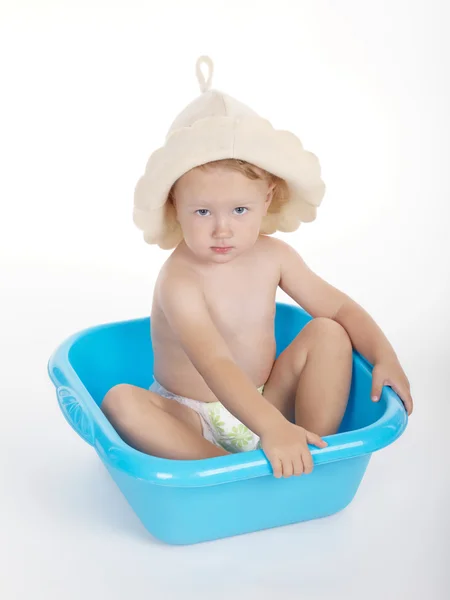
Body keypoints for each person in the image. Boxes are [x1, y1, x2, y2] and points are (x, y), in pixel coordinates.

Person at [101, 56, 413, 478]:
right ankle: (227, 469)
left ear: (267, 199)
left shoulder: (274, 256)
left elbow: (338, 308)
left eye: (240, 209)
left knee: (328, 331)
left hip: (270, 403)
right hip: (192, 418)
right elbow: (215, 362)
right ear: (175, 205)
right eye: (203, 211)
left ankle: (310, 449)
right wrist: (269, 430)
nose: (222, 229)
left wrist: (383, 356)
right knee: (121, 401)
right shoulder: (180, 279)